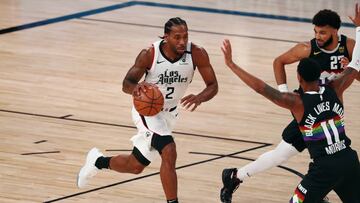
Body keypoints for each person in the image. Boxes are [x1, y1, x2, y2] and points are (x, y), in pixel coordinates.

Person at [221, 7, 360, 201]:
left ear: (335, 31)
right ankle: (236, 177)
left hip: (329, 114)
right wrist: (286, 94)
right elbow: (278, 62)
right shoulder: (307, 49)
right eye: (316, 32)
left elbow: (356, 71)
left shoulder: (350, 47)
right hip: (308, 113)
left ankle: (236, 177)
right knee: (281, 155)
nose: (318, 36)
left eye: (323, 32)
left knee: (323, 156)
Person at [76, 17, 218, 203]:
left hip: (170, 114)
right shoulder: (150, 54)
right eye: (177, 37)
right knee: (169, 149)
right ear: (166, 37)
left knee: (136, 166)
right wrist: (135, 88)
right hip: (147, 112)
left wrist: (200, 97)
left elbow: (213, 85)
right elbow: (126, 83)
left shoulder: (197, 53)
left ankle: (97, 161)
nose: (182, 41)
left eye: (185, 36)